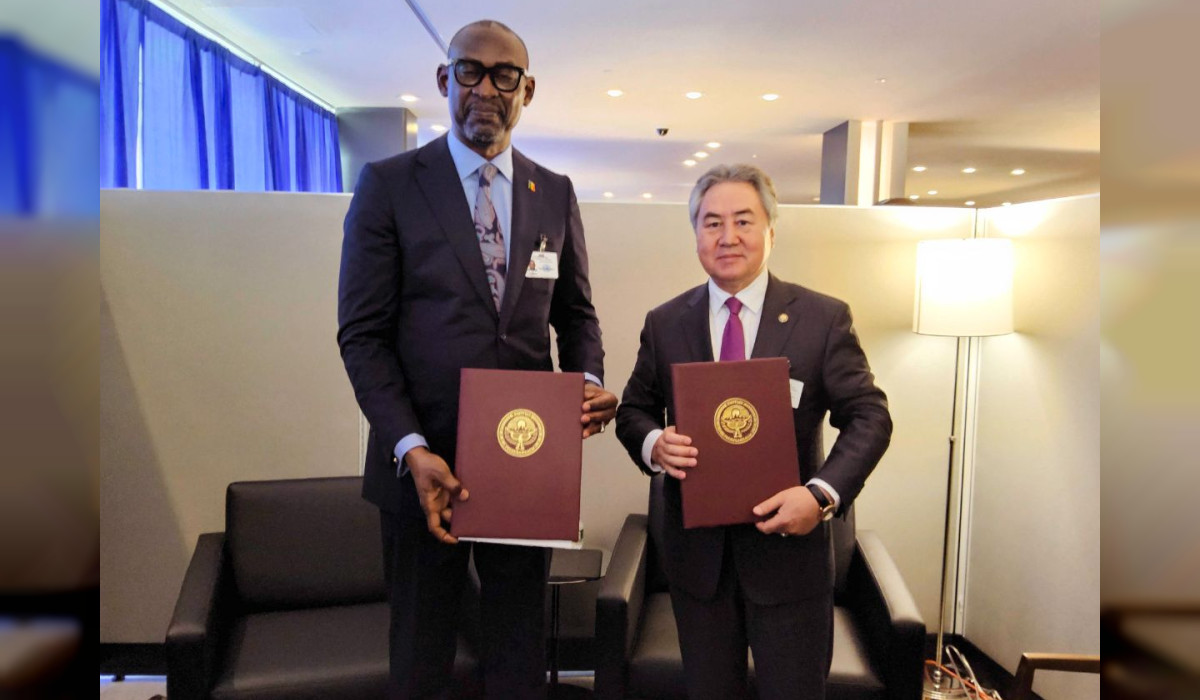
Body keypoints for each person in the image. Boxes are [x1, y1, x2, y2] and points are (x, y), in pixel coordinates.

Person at [337, 19, 617, 699]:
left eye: (504, 75)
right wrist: (410, 446)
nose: (486, 88)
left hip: (525, 458)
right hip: (422, 466)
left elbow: (575, 313)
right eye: (470, 70)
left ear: (527, 90)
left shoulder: (554, 192)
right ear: (445, 79)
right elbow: (363, 335)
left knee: (519, 648)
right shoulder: (390, 184)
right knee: (422, 652)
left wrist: (586, 381)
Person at [615, 164, 892, 700]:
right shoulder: (666, 322)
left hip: (791, 564)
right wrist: (654, 443)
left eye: (743, 221)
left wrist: (822, 494)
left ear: (771, 230)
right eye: (712, 223)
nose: (728, 237)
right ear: (696, 234)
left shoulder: (821, 319)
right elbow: (633, 412)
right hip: (699, 568)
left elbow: (870, 416)